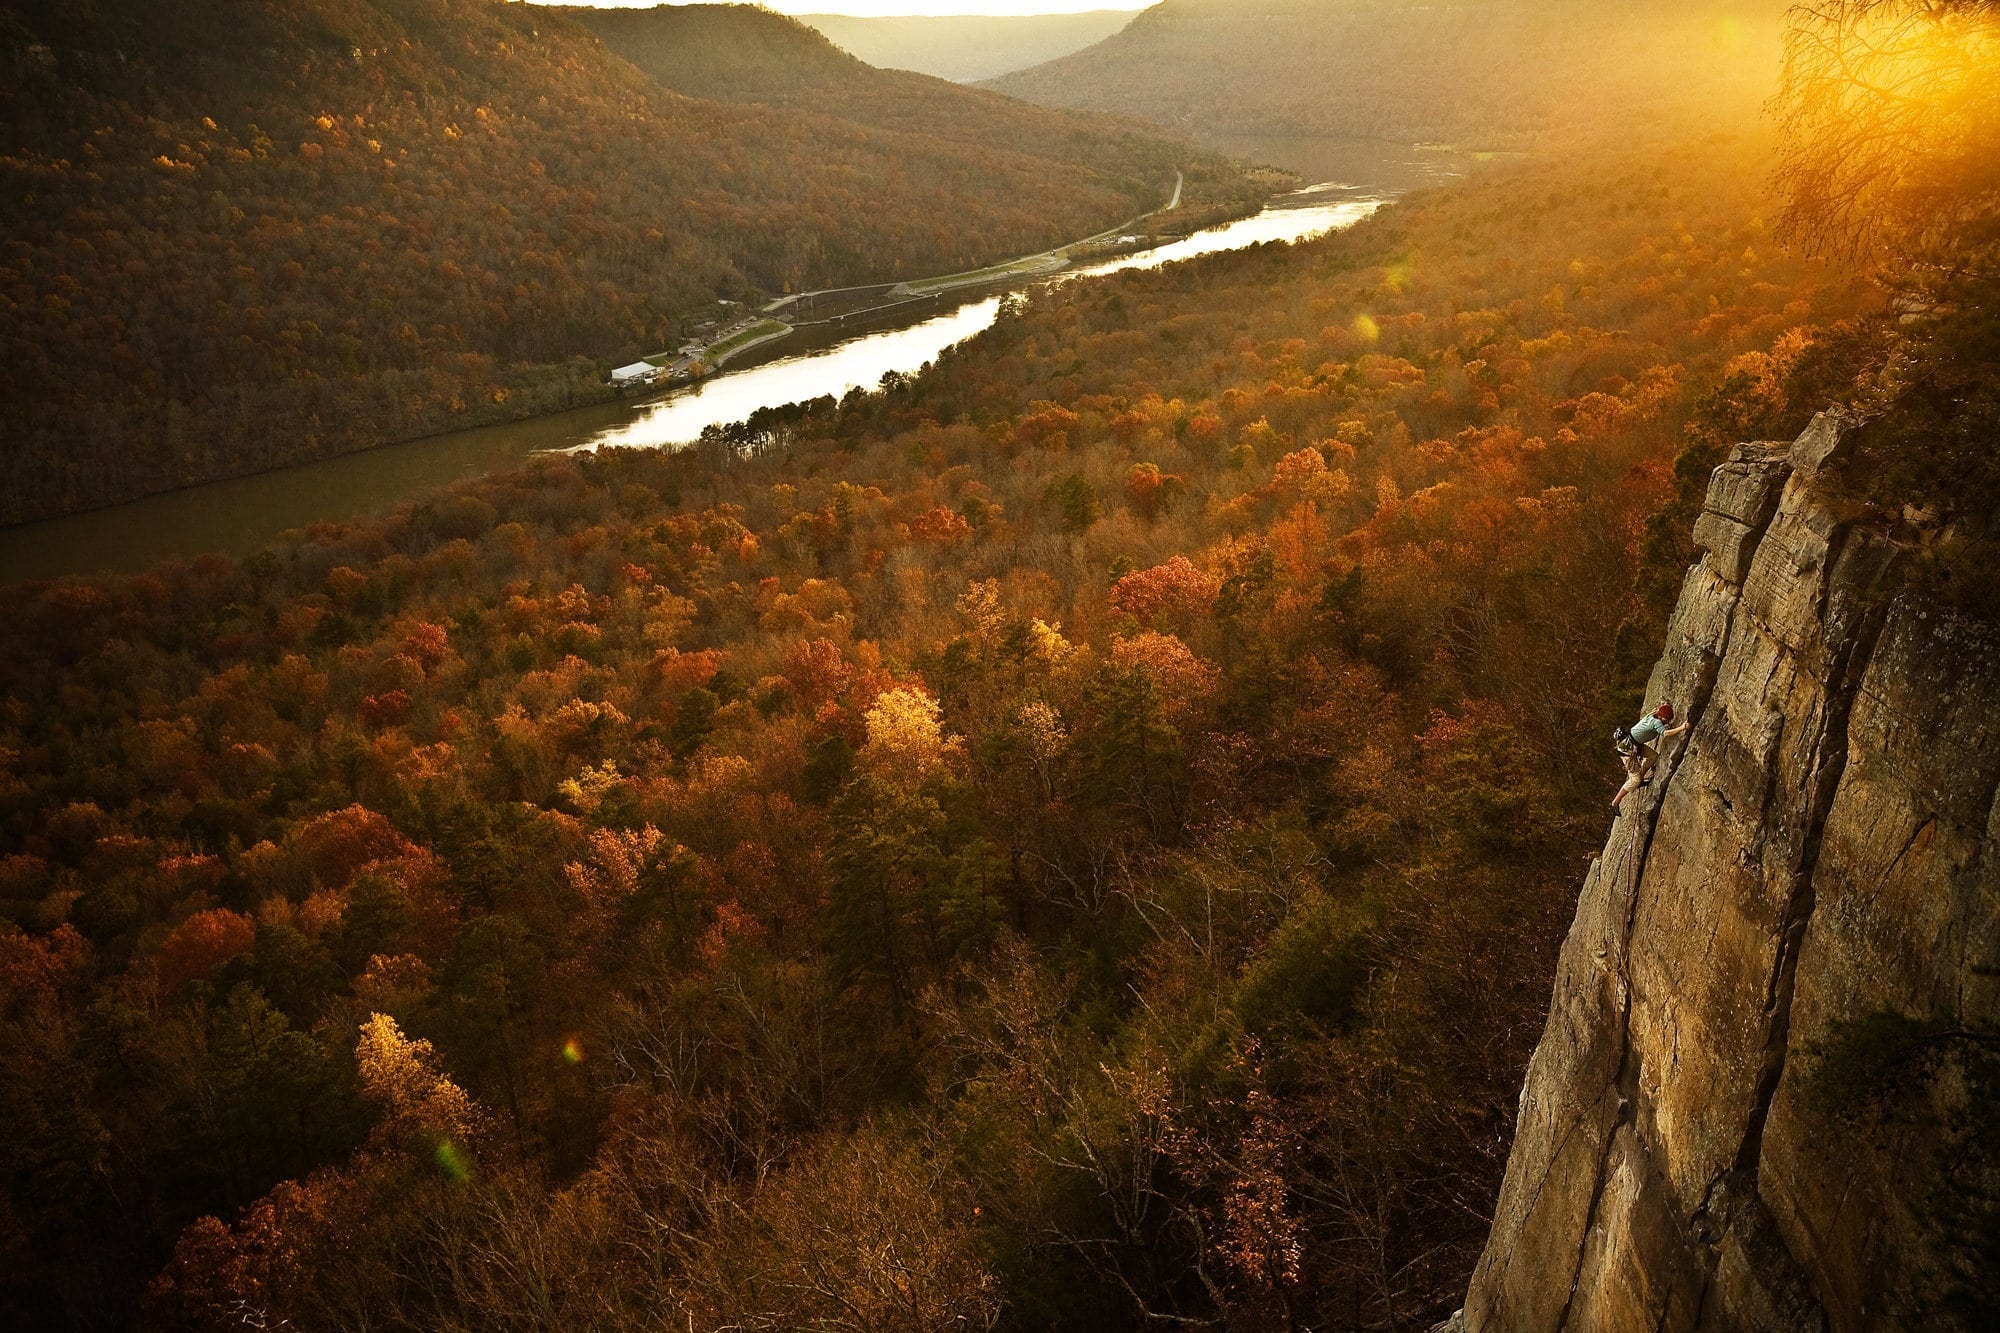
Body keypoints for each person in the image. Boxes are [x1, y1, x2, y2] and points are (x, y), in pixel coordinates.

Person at [1612, 701, 1689, 810]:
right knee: (1635, 780)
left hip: (1635, 745)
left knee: (1652, 756)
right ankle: (1615, 802)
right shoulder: (1656, 723)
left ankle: (1641, 777)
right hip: (1627, 751)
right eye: (1666, 720)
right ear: (1661, 717)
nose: (1667, 722)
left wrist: (1665, 705)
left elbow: (1658, 709)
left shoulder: (1653, 714)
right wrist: (1682, 727)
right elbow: (1665, 734)